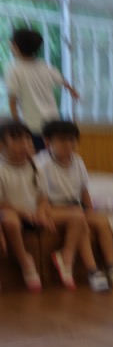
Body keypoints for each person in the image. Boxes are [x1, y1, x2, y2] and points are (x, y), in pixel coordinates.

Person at [37, 119, 113, 290]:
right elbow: (42, 198)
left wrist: (90, 211)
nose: (68, 144)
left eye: (72, 140)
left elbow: (84, 191)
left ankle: (111, 268)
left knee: (102, 221)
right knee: (79, 219)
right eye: (62, 140)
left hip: (75, 207)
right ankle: (92, 271)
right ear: (47, 142)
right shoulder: (41, 163)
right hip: (52, 208)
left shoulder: (77, 161)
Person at [5, 27, 80, 150]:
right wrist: (73, 91)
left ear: (15, 46)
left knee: (35, 158)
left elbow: (12, 99)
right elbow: (63, 81)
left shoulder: (14, 70)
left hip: (32, 125)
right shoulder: (45, 66)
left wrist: (17, 122)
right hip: (53, 123)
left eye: (11, 42)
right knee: (50, 156)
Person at [0, 121, 50, 291]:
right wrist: (23, 213)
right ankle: (25, 262)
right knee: (10, 221)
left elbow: (43, 196)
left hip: (33, 213)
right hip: (12, 213)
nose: (24, 144)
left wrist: (41, 212)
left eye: (27, 139)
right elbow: (2, 204)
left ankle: (66, 260)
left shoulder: (36, 166)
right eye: (17, 140)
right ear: (1, 145)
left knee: (76, 215)